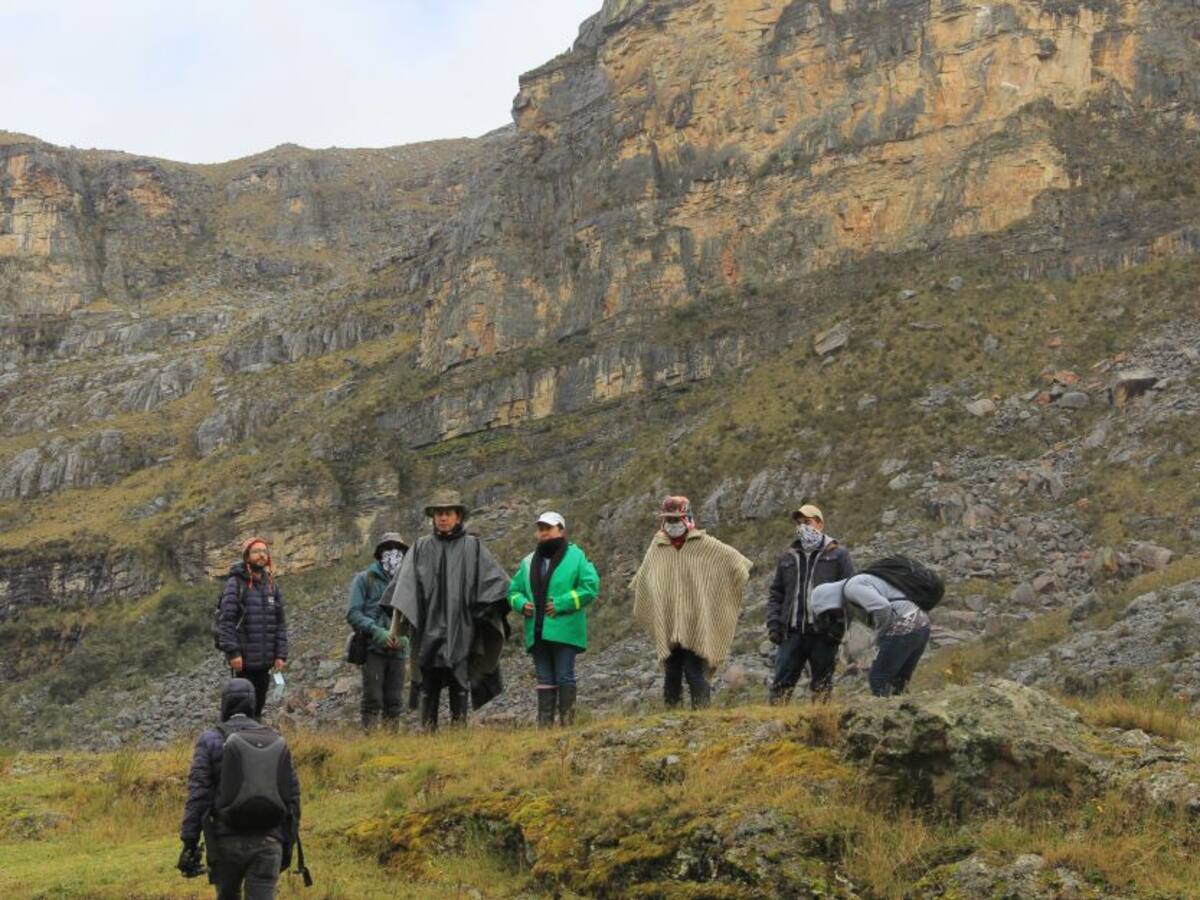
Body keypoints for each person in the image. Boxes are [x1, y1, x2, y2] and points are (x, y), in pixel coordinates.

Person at [382, 489, 510, 730]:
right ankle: (428, 732)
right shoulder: (420, 547)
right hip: (428, 627)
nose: (442, 518)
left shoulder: (473, 547)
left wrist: (484, 610)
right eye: (438, 513)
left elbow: (497, 582)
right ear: (433, 517)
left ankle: (458, 731)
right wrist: (400, 626)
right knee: (428, 681)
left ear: (458, 516)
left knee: (459, 680)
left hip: (462, 627)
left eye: (447, 513)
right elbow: (403, 586)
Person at [178, 678, 303, 899]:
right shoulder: (275, 738)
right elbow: (292, 797)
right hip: (269, 840)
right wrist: (287, 843)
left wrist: (189, 841)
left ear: (224, 705)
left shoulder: (210, 740)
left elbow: (199, 795)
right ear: (253, 704)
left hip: (226, 842)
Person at [631, 496, 752, 709]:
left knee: (694, 672)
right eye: (668, 519)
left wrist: (722, 589)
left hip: (696, 623)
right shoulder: (658, 546)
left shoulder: (703, 544)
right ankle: (672, 715)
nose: (672, 524)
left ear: (687, 517)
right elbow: (644, 579)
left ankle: (702, 715)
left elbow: (736, 563)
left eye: (677, 519)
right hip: (668, 625)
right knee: (671, 675)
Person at [507, 512, 600, 726]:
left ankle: (567, 725)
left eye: (548, 527)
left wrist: (562, 603)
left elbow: (590, 587)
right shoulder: (528, 561)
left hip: (565, 631)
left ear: (561, 530)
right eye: (540, 528)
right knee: (544, 679)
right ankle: (545, 729)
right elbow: (513, 591)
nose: (544, 532)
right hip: (537, 631)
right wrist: (521, 604)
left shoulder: (576, 556)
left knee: (564, 676)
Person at [765, 503, 854, 703]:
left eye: (807, 522)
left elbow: (850, 591)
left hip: (824, 634)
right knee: (780, 686)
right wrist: (774, 624)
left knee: (822, 687)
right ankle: (775, 728)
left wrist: (839, 627)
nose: (802, 527)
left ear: (820, 525)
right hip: (792, 633)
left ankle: (821, 726)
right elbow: (776, 593)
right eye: (799, 523)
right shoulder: (788, 556)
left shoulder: (838, 554)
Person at [810, 572, 931, 696]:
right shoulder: (856, 593)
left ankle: (884, 713)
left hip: (904, 625)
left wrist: (880, 635)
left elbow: (883, 608)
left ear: (829, 599)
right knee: (898, 681)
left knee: (878, 678)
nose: (836, 615)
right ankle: (904, 711)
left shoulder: (852, 587)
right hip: (921, 624)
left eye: (831, 611)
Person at [217, 538, 287, 719]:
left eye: (264, 551)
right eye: (256, 551)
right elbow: (226, 620)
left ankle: (255, 743)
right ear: (247, 556)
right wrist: (233, 652)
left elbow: (280, 623)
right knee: (240, 707)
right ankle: (233, 743)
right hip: (243, 662)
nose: (261, 555)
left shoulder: (271, 585)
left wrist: (280, 654)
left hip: (265, 663)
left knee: (257, 708)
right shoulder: (236, 583)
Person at [346, 532, 409, 730]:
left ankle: (390, 745)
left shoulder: (408, 583)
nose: (393, 553)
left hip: (398, 650)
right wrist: (376, 632)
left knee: (394, 701)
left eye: (398, 549)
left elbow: (416, 615)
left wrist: (405, 638)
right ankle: (370, 742)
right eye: (388, 548)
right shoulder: (364, 579)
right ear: (380, 553)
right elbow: (353, 613)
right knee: (372, 698)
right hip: (372, 648)